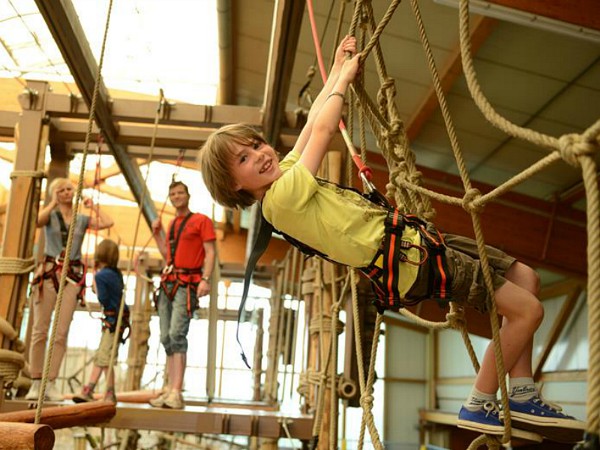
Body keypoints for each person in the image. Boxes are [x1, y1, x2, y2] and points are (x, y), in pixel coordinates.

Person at [197, 35, 585, 442]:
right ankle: (480, 401)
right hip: (408, 261)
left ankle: (521, 392)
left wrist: (333, 68)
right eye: (244, 159)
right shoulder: (281, 200)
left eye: (256, 144)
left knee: (527, 279)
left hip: (417, 241)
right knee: (529, 311)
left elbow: (312, 121)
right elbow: (327, 128)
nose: (259, 154)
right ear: (236, 188)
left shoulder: (285, 173)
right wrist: (345, 78)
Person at [26, 177, 114, 401]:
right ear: (55, 193)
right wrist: (53, 202)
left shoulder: (81, 219)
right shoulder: (50, 216)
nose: (66, 192)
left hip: (71, 277)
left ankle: (51, 381)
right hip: (48, 272)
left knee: (61, 331)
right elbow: (36, 221)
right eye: (61, 190)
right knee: (39, 329)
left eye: (68, 189)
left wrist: (92, 205)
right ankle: (36, 381)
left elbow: (107, 222)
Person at [149, 180, 216, 409]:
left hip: (187, 282)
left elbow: (210, 251)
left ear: (188, 195)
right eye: (173, 194)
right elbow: (167, 254)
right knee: (166, 337)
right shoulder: (172, 223)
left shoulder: (201, 221)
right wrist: (157, 234)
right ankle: (169, 389)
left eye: (180, 193)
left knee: (177, 333)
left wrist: (205, 280)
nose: (176, 197)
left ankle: (176, 391)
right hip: (169, 281)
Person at [73, 238, 129, 404]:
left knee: (105, 357)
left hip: (113, 321)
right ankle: (91, 389)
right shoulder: (116, 273)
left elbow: (104, 299)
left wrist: (96, 285)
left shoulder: (102, 276)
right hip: (117, 319)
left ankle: (107, 393)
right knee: (103, 357)